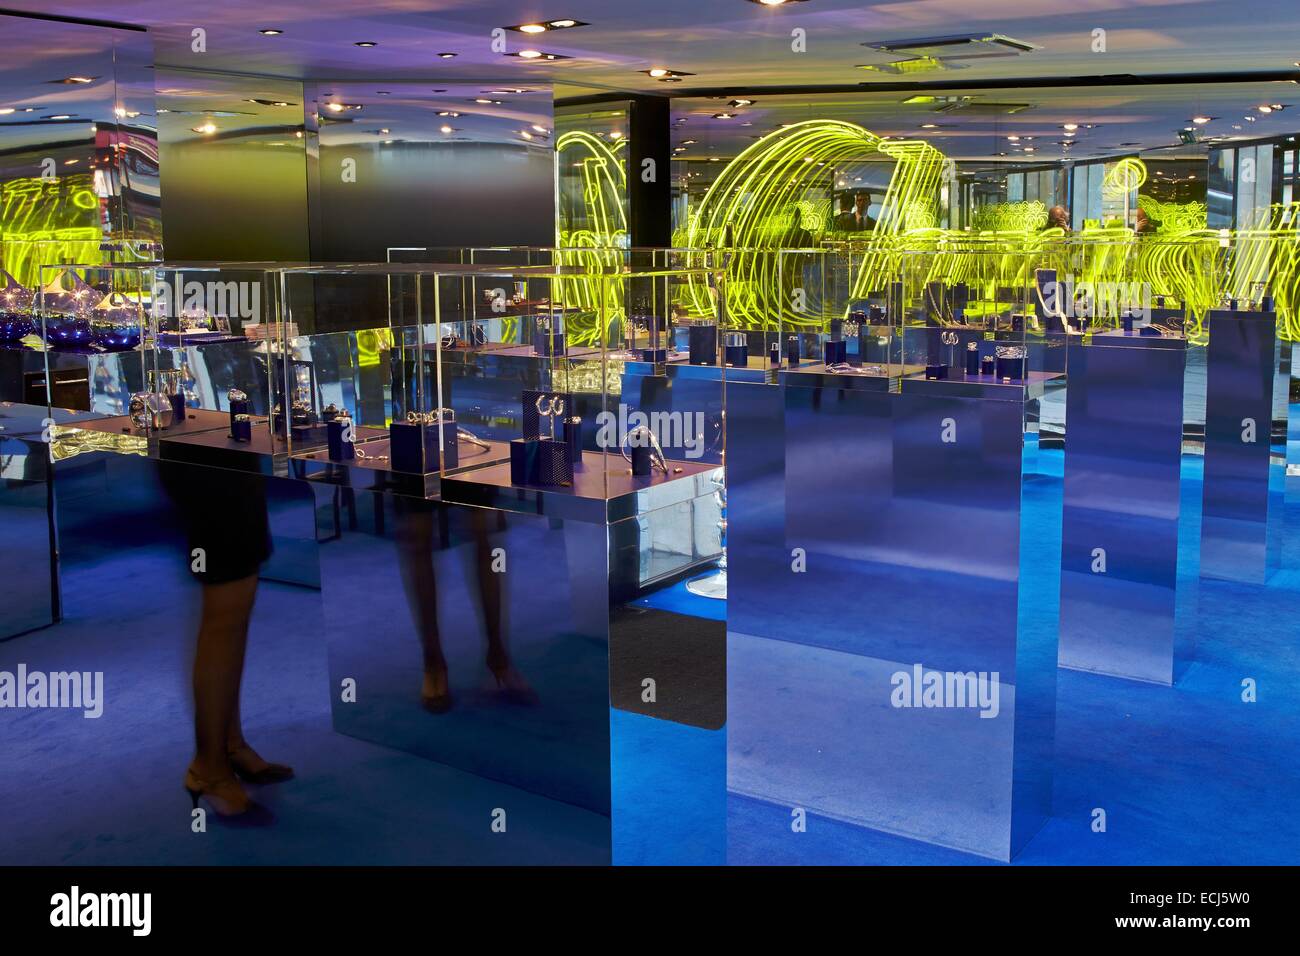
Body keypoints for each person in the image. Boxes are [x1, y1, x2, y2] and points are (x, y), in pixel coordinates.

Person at [162, 462, 290, 820]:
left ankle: (230, 744)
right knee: (225, 605)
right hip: (204, 462)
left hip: (229, 458)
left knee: (238, 598)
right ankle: (208, 768)